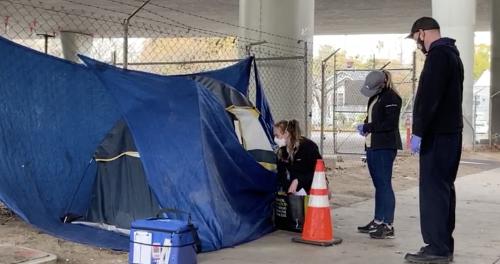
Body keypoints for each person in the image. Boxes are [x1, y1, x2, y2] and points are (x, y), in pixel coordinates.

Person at [404, 17, 464, 264]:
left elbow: (429, 97)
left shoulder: (438, 56)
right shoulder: (453, 54)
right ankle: (443, 244)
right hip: (450, 134)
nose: (418, 45)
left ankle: (436, 248)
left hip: (437, 135)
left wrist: (419, 130)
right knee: (444, 189)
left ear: (421, 33)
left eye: (417, 39)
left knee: (432, 191)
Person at [355, 70, 402, 239]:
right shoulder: (375, 97)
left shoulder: (392, 98)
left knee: (384, 185)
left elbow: (389, 123)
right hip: (373, 145)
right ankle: (378, 220)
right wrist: (365, 125)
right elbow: (372, 119)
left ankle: (388, 224)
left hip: (385, 146)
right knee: (379, 185)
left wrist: (368, 127)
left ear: (382, 84)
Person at [274, 119, 321, 194]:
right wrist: (288, 190)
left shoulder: (309, 147)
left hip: (311, 183)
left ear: (287, 133)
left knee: (325, 193)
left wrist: (298, 181)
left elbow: (318, 172)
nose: (275, 139)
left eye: (277, 136)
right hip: (296, 189)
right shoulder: (282, 151)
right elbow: (281, 174)